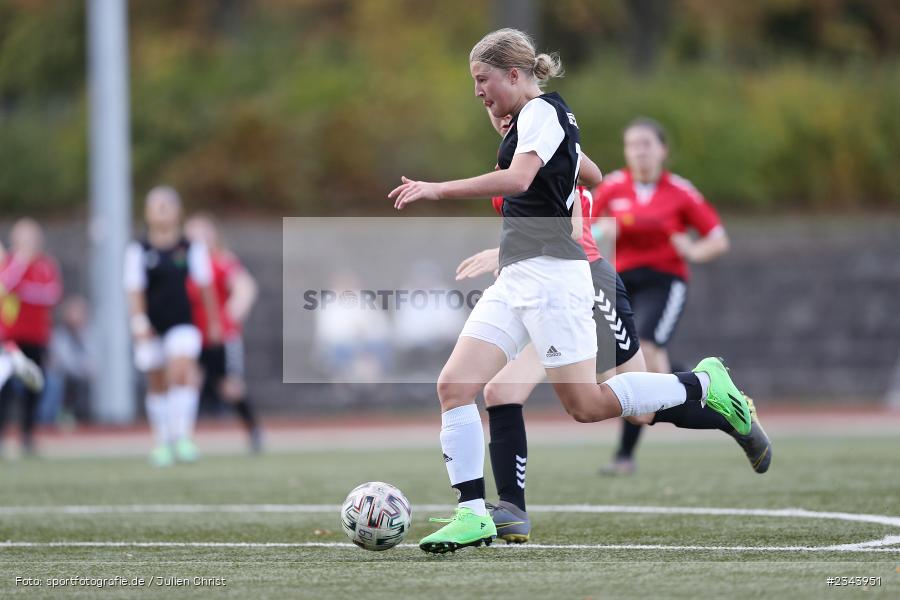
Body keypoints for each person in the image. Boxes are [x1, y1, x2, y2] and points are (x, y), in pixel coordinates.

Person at [388, 28, 753, 554]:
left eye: (482, 79)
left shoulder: (541, 113)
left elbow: (517, 182)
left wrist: (438, 188)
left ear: (514, 75)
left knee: (586, 405)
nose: (477, 92)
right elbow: (595, 172)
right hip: (517, 275)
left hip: (553, 279)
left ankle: (700, 384)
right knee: (455, 386)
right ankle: (473, 513)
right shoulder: (542, 120)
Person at [457, 111, 770, 544]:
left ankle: (721, 405)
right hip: (537, 290)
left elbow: (575, 220)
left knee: (636, 408)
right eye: (485, 101)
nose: (492, 108)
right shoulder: (514, 156)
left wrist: (504, 250)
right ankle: (512, 511)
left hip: (584, 284)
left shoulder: (551, 148)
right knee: (500, 391)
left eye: (492, 91)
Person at [589, 119, 769, 477]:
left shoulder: (680, 191)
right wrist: (600, 229)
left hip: (665, 282)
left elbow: (718, 238)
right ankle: (715, 396)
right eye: (632, 144)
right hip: (621, 284)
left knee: (650, 350)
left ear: (662, 150)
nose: (639, 150)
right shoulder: (611, 187)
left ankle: (629, 451)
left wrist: (691, 250)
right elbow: (583, 231)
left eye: (646, 144)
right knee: (623, 372)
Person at [124, 186, 220, 467]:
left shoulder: (190, 247)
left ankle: (183, 436)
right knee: (157, 382)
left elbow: (205, 287)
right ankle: (162, 440)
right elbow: (134, 291)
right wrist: (139, 322)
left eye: (167, 205)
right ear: (148, 212)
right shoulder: (139, 250)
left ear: (178, 211)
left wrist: (213, 322)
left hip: (182, 323)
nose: (162, 210)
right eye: (157, 205)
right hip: (152, 326)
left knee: (180, 371)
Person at [184, 214, 262, 453]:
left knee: (230, 387)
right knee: (188, 385)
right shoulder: (182, 264)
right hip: (193, 337)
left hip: (221, 337)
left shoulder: (221, 261)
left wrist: (230, 316)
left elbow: (245, 287)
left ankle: (253, 431)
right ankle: (182, 439)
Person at [0, 219, 62, 454]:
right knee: (4, 387)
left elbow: (50, 294)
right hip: (10, 337)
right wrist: (20, 263)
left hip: (37, 337)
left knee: (34, 385)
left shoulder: (46, 265)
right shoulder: (9, 262)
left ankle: (27, 436)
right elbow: (6, 285)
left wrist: (24, 291)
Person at [40, 295, 94, 425]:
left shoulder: (88, 335)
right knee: (54, 382)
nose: (77, 317)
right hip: (61, 376)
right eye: (73, 312)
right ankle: (46, 422)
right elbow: (62, 362)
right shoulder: (59, 335)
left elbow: (93, 362)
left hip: (79, 376)